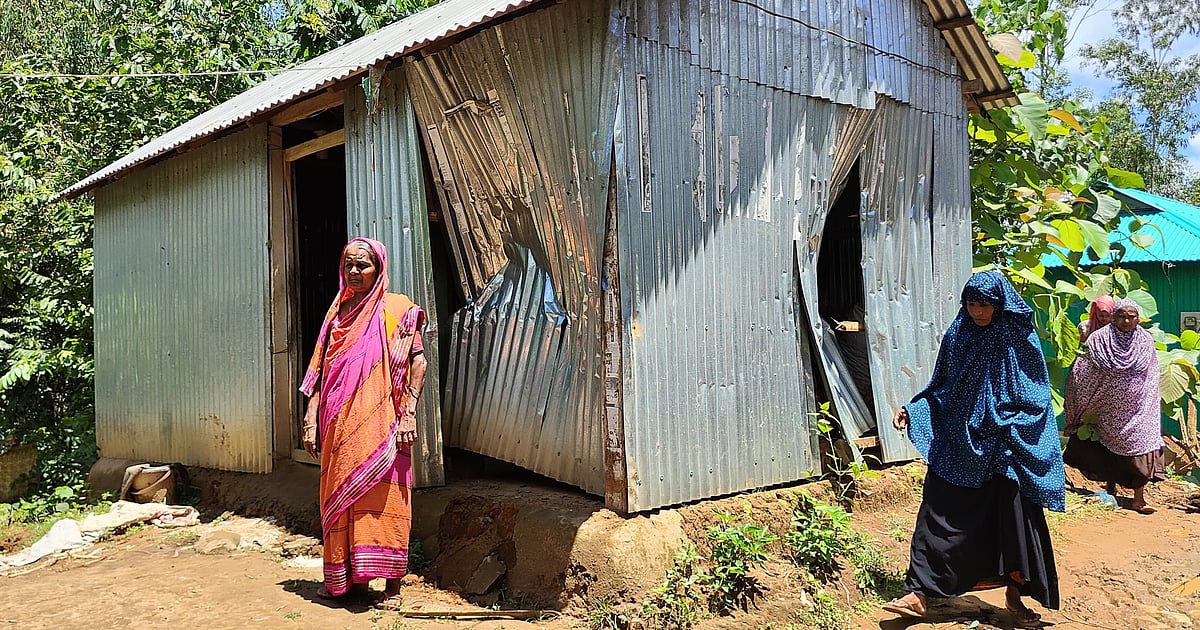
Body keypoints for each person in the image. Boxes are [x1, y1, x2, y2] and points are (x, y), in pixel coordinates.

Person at [884, 270, 1064, 627]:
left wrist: (1009, 420)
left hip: (1005, 447)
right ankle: (917, 593)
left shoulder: (1017, 337)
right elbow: (941, 387)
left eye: (985, 304)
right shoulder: (958, 335)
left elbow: (1036, 392)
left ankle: (1015, 596)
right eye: (971, 303)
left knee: (1012, 522)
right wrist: (914, 410)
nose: (978, 311)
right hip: (960, 445)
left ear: (1000, 304)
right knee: (937, 513)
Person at [300, 237, 427, 609]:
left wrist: (409, 412)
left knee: (387, 501)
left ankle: (392, 586)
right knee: (340, 500)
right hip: (340, 428)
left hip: (386, 425)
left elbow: (417, 362)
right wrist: (310, 419)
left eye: (363, 265)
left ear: (379, 268)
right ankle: (347, 582)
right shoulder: (336, 313)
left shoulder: (396, 309)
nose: (354, 272)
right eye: (349, 265)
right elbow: (321, 372)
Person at [1063, 298, 1164, 514]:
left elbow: (1152, 373)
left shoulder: (1145, 340)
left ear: (1138, 318)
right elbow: (1083, 370)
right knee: (1104, 448)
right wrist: (1082, 397)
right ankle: (1110, 487)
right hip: (1105, 407)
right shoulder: (1099, 339)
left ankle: (1139, 498)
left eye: (1131, 316)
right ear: (1114, 317)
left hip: (1138, 409)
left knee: (1140, 447)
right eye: (1121, 316)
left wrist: (1148, 399)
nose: (1126, 321)